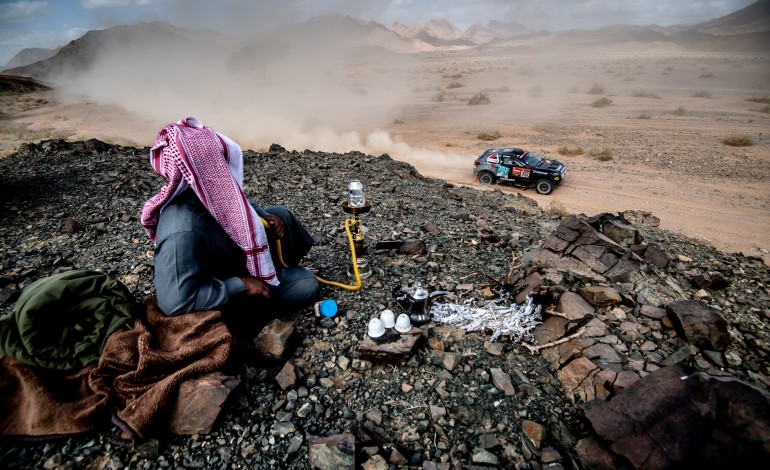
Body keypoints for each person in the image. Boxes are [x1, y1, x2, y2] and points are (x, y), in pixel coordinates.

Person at [140, 116, 319, 321]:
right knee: (307, 284)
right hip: (225, 281)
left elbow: (238, 205)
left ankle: (281, 269)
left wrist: (265, 217)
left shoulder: (206, 193)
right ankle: (267, 295)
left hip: (231, 255)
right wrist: (241, 285)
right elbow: (175, 303)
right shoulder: (180, 233)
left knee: (281, 214)